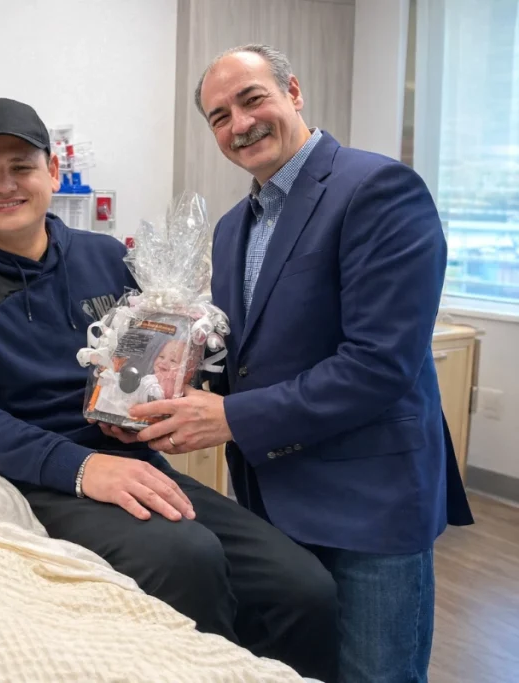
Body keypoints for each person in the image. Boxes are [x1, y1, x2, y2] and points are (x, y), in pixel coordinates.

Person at [0, 97, 338, 680]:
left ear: (53, 172)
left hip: (131, 461)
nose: (6, 185)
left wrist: (169, 387)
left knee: (303, 586)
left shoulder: (106, 256)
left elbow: (136, 369)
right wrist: (82, 468)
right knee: (187, 558)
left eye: (22, 167)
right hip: (27, 477)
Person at [131, 44, 474, 683]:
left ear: (293, 93)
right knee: (290, 671)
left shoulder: (377, 189)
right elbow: (249, 354)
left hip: (366, 502)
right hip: (270, 501)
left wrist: (230, 416)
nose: (239, 123)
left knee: (377, 674)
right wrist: (158, 380)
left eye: (252, 98)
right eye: (218, 116)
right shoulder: (234, 227)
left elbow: (378, 366)